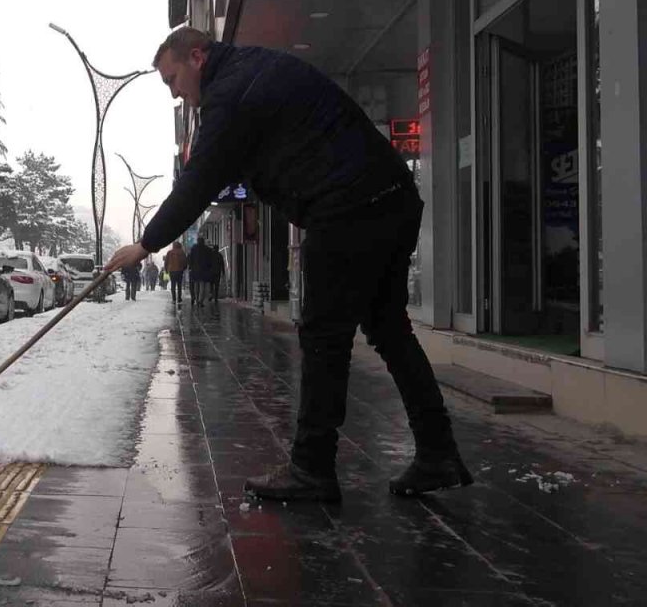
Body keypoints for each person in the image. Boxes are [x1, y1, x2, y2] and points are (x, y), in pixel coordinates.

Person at [105, 26, 471, 502]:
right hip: (389, 197)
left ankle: (313, 468)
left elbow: (198, 182)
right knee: (387, 327)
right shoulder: (250, 72)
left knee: (323, 335)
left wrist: (146, 243)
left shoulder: (230, 93)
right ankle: (437, 450)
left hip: (347, 206)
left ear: (197, 57)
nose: (175, 93)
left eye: (172, 80)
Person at [187, 237, 213, 306]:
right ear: (203, 241)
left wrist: (190, 267)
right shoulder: (207, 249)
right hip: (204, 270)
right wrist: (209, 268)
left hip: (195, 270)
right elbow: (210, 260)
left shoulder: (193, 249)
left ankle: (196, 298)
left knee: (196, 285)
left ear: (197, 241)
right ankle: (200, 301)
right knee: (202, 285)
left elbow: (190, 259)